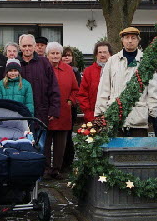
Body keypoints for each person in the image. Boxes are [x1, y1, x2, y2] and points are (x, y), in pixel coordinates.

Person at [95, 27, 157, 137]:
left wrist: (151, 111)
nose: (130, 41)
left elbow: (153, 89)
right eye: (127, 38)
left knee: (138, 151)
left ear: (138, 40)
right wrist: (101, 112)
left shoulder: (146, 61)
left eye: (133, 38)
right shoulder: (112, 61)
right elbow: (104, 88)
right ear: (122, 40)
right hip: (115, 117)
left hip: (139, 118)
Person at [45, 43, 79, 179]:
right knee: (45, 143)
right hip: (46, 112)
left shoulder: (68, 70)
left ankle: (57, 169)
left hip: (64, 112)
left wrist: (70, 101)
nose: (55, 56)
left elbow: (75, 89)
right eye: (52, 53)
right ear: (47, 55)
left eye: (57, 53)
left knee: (61, 144)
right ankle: (46, 169)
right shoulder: (43, 68)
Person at [18, 34, 60, 133]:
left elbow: (53, 87)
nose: (27, 49)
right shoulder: (15, 63)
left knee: (40, 146)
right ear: (20, 47)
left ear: (34, 46)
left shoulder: (44, 63)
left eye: (29, 46)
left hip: (41, 114)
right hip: (19, 115)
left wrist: (54, 110)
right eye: (24, 46)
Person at [77, 41, 113, 122]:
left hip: (113, 116)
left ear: (110, 54)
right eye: (100, 52)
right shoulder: (88, 71)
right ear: (96, 54)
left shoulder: (116, 70)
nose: (102, 55)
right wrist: (89, 114)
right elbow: (82, 95)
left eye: (105, 52)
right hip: (93, 117)